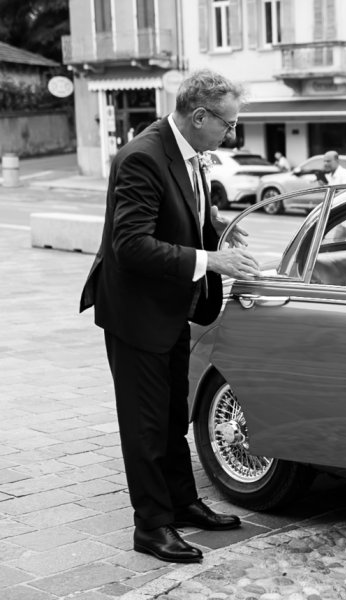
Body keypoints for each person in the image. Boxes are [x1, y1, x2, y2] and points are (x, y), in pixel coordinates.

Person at [78, 69, 261, 565]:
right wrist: (212, 261)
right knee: (144, 425)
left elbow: (179, 207)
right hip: (136, 314)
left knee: (171, 416)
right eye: (228, 125)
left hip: (172, 307)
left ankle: (182, 502)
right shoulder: (141, 156)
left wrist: (215, 225)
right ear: (199, 116)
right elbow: (131, 245)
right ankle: (152, 526)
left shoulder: (189, 152)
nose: (231, 134)